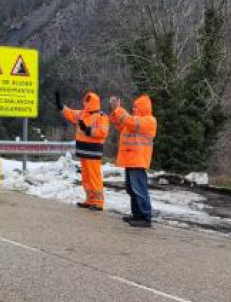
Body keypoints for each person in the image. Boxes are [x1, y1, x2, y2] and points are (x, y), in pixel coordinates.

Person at [56, 91, 110, 211]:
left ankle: (98, 202)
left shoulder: (102, 116)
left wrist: (88, 130)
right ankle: (90, 199)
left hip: (93, 151)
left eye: (87, 101)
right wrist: (61, 106)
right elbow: (70, 113)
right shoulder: (82, 114)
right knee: (86, 177)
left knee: (94, 176)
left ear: (92, 103)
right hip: (84, 150)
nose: (84, 103)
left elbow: (103, 133)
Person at [109, 94, 157, 228]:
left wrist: (118, 109)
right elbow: (121, 125)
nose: (133, 109)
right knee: (132, 189)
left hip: (138, 161)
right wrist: (115, 111)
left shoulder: (149, 120)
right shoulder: (134, 120)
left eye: (136, 107)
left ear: (143, 108)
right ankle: (137, 215)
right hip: (131, 160)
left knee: (139, 190)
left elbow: (130, 122)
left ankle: (145, 217)